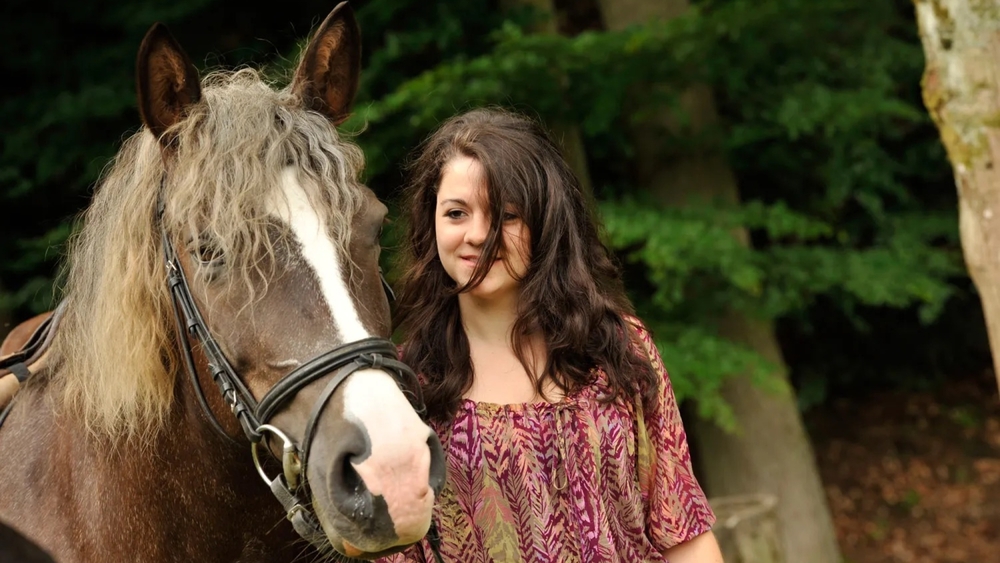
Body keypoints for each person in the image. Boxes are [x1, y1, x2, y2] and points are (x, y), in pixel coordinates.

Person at [381, 108, 723, 562]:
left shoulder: (616, 350)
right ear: (431, 224)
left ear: (545, 223)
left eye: (506, 215)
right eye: (457, 213)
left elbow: (683, 533)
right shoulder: (405, 394)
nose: (478, 235)